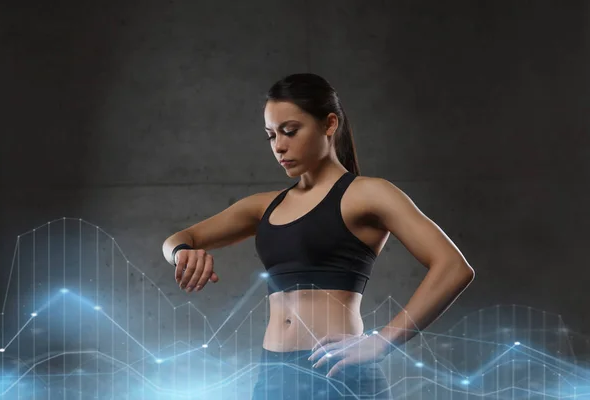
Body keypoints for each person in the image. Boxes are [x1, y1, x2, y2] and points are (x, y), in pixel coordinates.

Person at [162, 73, 475, 399]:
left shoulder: (368, 194)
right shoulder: (265, 206)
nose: (279, 145)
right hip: (273, 378)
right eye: (270, 136)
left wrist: (382, 341)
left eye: (290, 131)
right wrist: (182, 253)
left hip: (337, 375)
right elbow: (178, 239)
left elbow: (454, 267)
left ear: (329, 124)